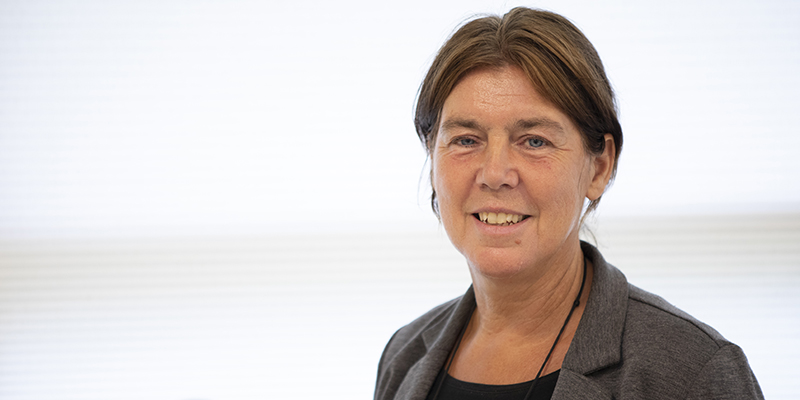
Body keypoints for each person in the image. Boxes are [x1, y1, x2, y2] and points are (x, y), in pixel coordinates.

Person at [374, 7, 763, 400]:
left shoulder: (692, 370)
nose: (494, 173)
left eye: (534, 141)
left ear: (599, 167)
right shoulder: (404, 356)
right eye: (465, 140)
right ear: (432, 158)